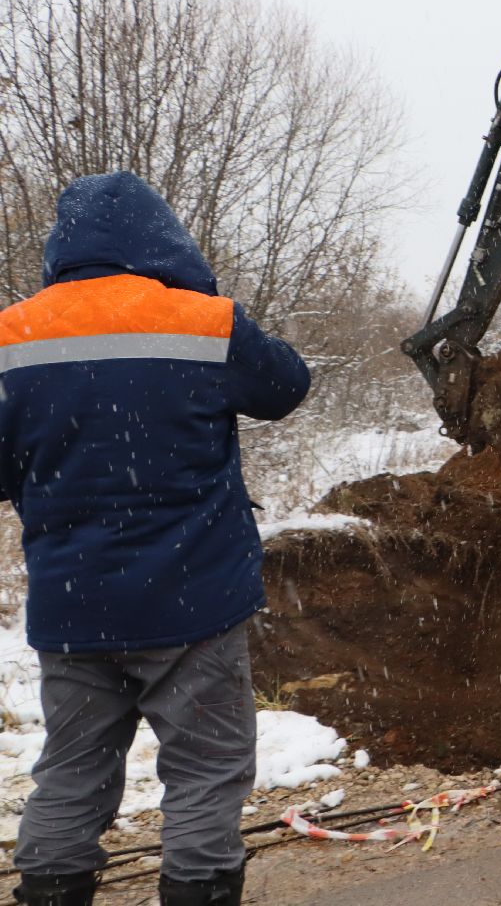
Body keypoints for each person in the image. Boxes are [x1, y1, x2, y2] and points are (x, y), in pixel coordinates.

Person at [0, 172, 310, 906]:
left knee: (71, 770)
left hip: (74, 606)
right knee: (205, 772)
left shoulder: (11, 335)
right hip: (195, 600)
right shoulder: (205, 323)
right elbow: (286, 387)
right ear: (160, 240)